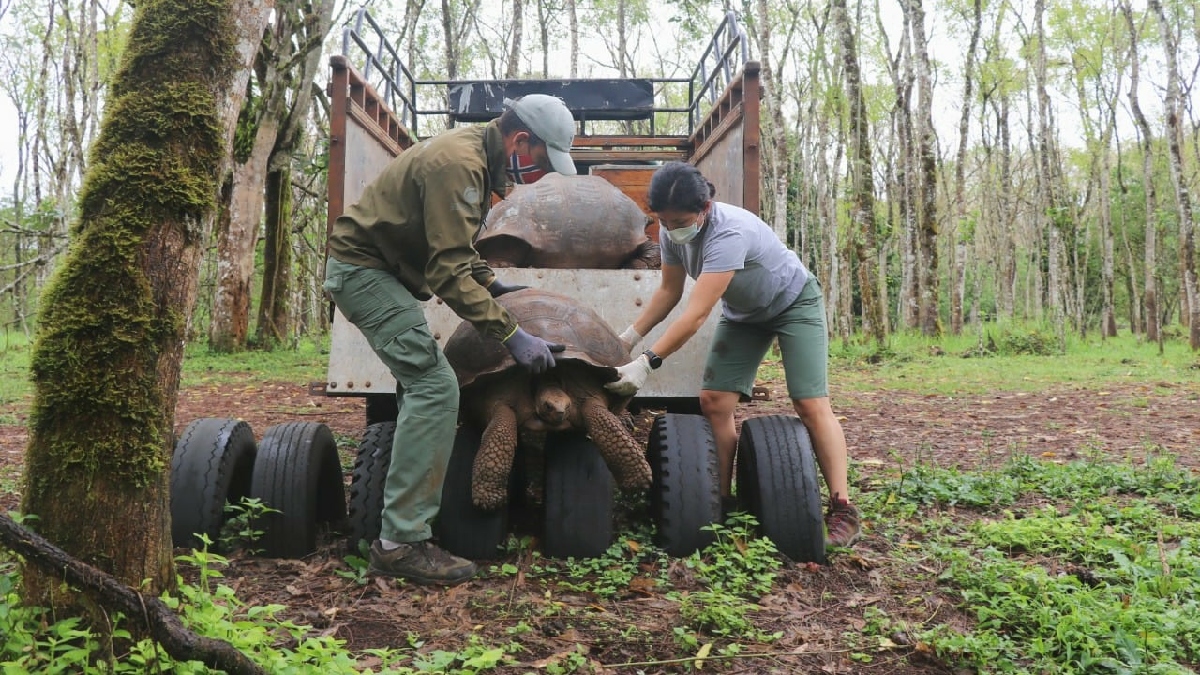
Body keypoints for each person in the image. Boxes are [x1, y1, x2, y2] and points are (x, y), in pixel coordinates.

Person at [323, 94, 578, 585]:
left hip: (385, 269)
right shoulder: (459, 164)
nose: (537, 173)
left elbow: (452, 247)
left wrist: (491, 282)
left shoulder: (475, 156)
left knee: (422, 385)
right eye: (542, 160)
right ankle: (400, 544)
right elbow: (445, 272)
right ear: (520, 141)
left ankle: (398, 509)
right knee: (435, 386)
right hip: (365, 272)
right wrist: (510, 333)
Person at [605, 161, 861, 548]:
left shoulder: (729, 233)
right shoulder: (673, 234)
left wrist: (647, 363)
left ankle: (843, 508)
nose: (672, 229)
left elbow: (696, 314)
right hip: (745, 314)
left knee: (810, 403)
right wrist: (628, 338)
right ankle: (720, 500)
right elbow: (668, 293)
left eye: (680, 220)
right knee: (714, 402)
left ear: (705, 208)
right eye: (664, 221)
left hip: (793, 303)